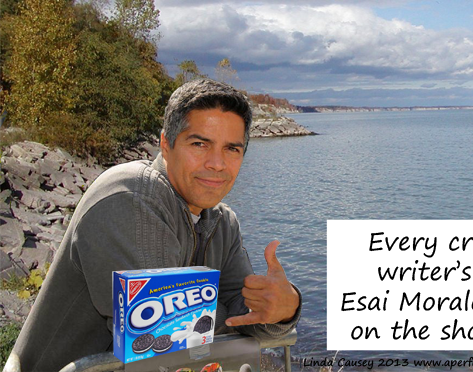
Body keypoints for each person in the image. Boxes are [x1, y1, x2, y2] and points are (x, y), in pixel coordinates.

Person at [7, 79, 301, 372]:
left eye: (232, 149)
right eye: (200, 144)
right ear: (166, 144)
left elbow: (241, 316)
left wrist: (283, 308)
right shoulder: (130, 198)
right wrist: (230, 312)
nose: (217, 163)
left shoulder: (222, 221)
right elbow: (165, 333)